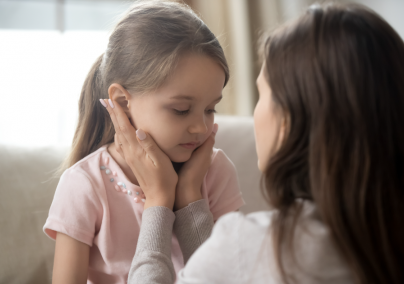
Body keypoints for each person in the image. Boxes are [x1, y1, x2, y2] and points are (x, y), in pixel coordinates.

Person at [104, 2, 404, 284]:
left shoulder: (252, 248)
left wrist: (159, 200)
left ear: (288, 122)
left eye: (263, 96)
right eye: (182, 110)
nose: (201, 126)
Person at [42, 1, 245, 283]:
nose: (201, 126)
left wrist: (190, 197)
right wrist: (160, 199)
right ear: (123, 102)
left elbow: (226, 278)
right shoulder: (84, 185)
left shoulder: (216, 172)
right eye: (181, 110)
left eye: (210, 109)